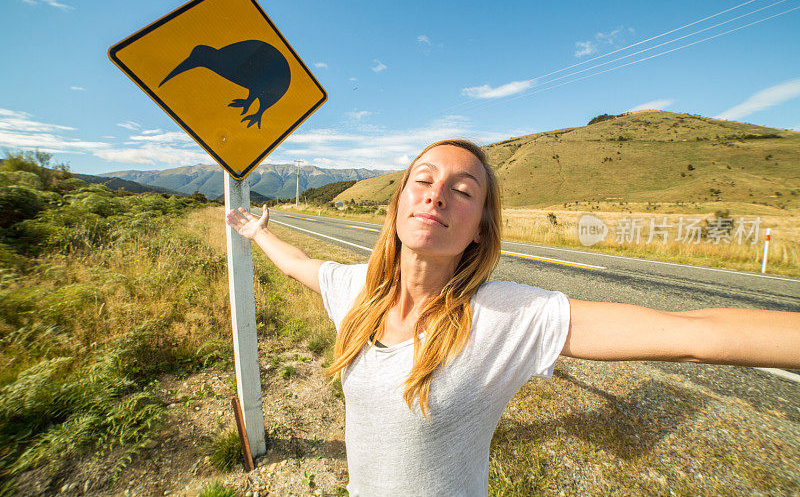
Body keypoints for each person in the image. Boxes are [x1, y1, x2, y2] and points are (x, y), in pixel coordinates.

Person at [226, 138, 800, 496]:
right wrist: (256, 232)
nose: (436, 195)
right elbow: (303, 263)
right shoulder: (356, 293)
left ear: (478, 229)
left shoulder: (504, 317)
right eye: (422, 182)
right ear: (398, 204)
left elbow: (688, 334)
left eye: (462, 189)